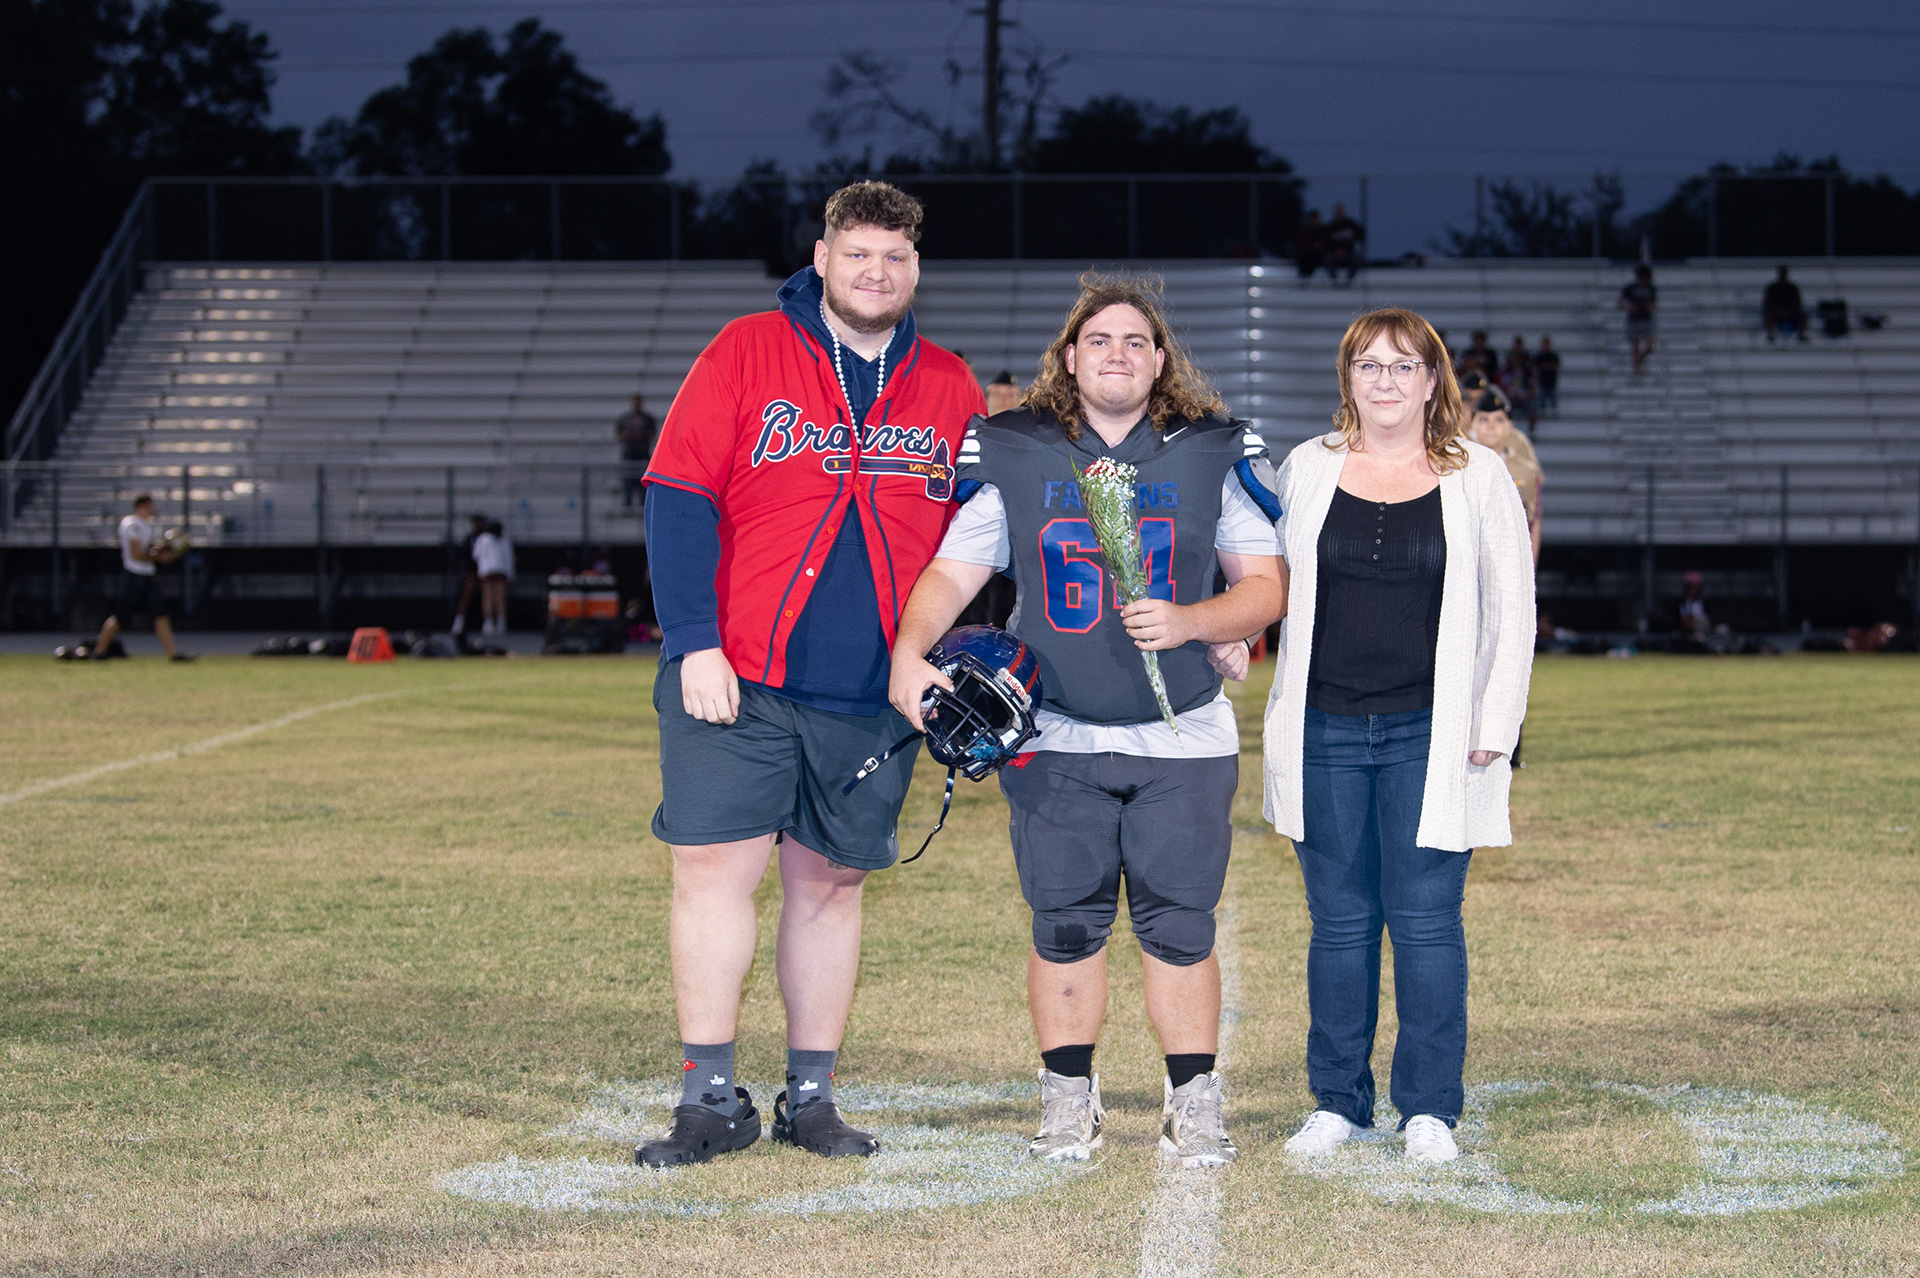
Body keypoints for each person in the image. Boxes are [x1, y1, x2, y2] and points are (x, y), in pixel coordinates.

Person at [889, 274, 1288, 1169]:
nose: (1118, 354)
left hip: (1181, 731)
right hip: (1057, 730)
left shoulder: (1210, 449)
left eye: (1136, 341)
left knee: (1181, 923)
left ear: (1160, 361)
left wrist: (1196, 621)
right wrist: (909, 652)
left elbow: (1267, 587)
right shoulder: (1016, 446)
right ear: (1069, 357)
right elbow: (953, 572)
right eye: (1099, 340)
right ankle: (1069, 1098)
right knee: (1063, 921)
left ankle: (1194, 1099)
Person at [635, 180, 985, 1169]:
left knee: (831, 888)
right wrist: (694, 639)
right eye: (858, 253)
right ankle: (710, 1098)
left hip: (873, 689)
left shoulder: (949, 382)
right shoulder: (747, 349)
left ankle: (812, 1097)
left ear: (916, 268)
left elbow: (979, 533)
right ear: (822, 258)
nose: (877, 271)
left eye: (896, 257)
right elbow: (677, 496)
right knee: (714, 871)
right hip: (738, 673)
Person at [1264, 308, 1534, 1165]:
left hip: (1433, 732)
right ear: (1347, 378)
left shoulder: (1478, 474)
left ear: (1431, 381)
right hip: (1323, 731)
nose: (1386, 380)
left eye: (1404, 365)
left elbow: (1512, 608)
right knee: (1340, 925)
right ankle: (1338, 1102)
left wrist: (1494, 723)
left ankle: (1428, 1108)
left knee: (1425, 924)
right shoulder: (1307, 467)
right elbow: (1267, 578)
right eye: (1369, 365)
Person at [94, 493, 193, 662]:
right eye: (150, 506)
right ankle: (100, 651)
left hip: (147, 576)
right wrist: (159, 557)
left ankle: (173, 654)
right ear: (142, 506)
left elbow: (150, 548)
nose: (153, 510)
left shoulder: (147, 525)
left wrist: (165, 550)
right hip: (134, 576)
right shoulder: (132, 524)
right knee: (120, 616)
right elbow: (137, 554)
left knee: (162, 614)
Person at [472, 519, 514, 635]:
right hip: (495, 571)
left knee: (491, 597)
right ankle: (495, 621)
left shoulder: (484, 539)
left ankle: (493, 621)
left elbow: (477, 556)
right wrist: (510, 574)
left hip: (491, 571)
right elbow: (508, 558)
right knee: (497, 598)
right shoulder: (489, 539)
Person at [616, 395, 659, 507]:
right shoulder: (625, 419)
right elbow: (618, 433)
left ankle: (643, 504)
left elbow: (653, 433)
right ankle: (627, 505)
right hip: (629, 452)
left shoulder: (647, 419)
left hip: (642, 452)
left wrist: (641, 435)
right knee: (628, 481)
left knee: (643, 482)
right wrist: (629, 435)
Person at [449, 513, 488, 635]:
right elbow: (466, 556)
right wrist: (468, 571)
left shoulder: (487, 538)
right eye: (477, 522)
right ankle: (458, 622)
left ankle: (488, 623)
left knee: (487, 598)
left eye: (481, 522)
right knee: (465, 597)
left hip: (485, 572)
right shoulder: (470, 538)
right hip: (472, 573)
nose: (479, 524)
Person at [1620, 265, 1657, 375]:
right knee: (1635, 346)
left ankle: (1641, 359)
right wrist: (1629, 308)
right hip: (1634, 320)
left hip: (1646, 319)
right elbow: (1620, 304)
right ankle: (1636, 369)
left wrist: (1649, 307)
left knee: (1650, 347)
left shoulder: (1650, 289)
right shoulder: (1630, 288)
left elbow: (1654, 304)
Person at [1763, 266, 1808, 343]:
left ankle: (1801, 335)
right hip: (1776, 314)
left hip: (1791, 314)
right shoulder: (1772, 288)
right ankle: (1770, 334)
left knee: (1802, 316)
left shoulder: (1792, 288)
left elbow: (1798, 304)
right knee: (1768, 315)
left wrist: (1789, 311)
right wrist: (1779, 310)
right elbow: (1768, 303)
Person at [1498, 337, 1535, 430]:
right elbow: (1503, 387)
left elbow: (1531, 386)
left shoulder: (1526, 372)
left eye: (1515, 359)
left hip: (1523, 399)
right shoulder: (1505, 372)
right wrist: (1508, 397)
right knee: (1500, 408)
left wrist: (1526, 396)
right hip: (1510, 399)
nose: (1514, 361)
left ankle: (1532, 431)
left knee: (1533, 408)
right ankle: (1504, 430)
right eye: (1511, 359)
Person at [1324, 203, 1365, 284]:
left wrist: (1346, 250)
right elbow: (1327, 242)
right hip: (1335, 253)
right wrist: (1337, 251)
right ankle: (1334, 281)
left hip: (1349, 252)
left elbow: (1360, 236)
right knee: (1327, 259)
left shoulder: (1351, 224)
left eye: (1341, 211)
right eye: (1338, 211)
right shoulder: (1331, 226)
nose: (1339, 213)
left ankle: (1348, 281)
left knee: (1356, 259)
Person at [1533, 336, 1561, 420]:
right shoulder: (1540, 356)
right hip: (1543, 380)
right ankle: (1542, 410)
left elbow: (1556, 365)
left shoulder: (1553, 355)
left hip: (1551, 380)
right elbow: (1537, 366)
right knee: (1542, 396)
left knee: (1552, 396)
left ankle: (1554, 410)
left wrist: (1546, 366)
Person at [1293, 210, 1326, 282]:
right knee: (1305, 257)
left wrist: (1320, 246)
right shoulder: (1305, 230)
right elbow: (1301, 244)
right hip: (1309, 254)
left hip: (1321, 254)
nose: (1314, 221)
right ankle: (1304, 277)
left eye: (1316, 218)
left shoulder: (1323, 230)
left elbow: (1327, 243)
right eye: (1313, 219)